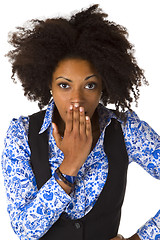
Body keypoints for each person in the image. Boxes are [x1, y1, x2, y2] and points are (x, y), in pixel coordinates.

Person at [1, 4, 160, 240]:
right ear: (49, 84)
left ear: (103, 85)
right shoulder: (21, 134)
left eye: (90, 85)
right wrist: (70, 165)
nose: (77, 99)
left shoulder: (125, 129)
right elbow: (25, 230)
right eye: (64, 85)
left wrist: (141, 238)